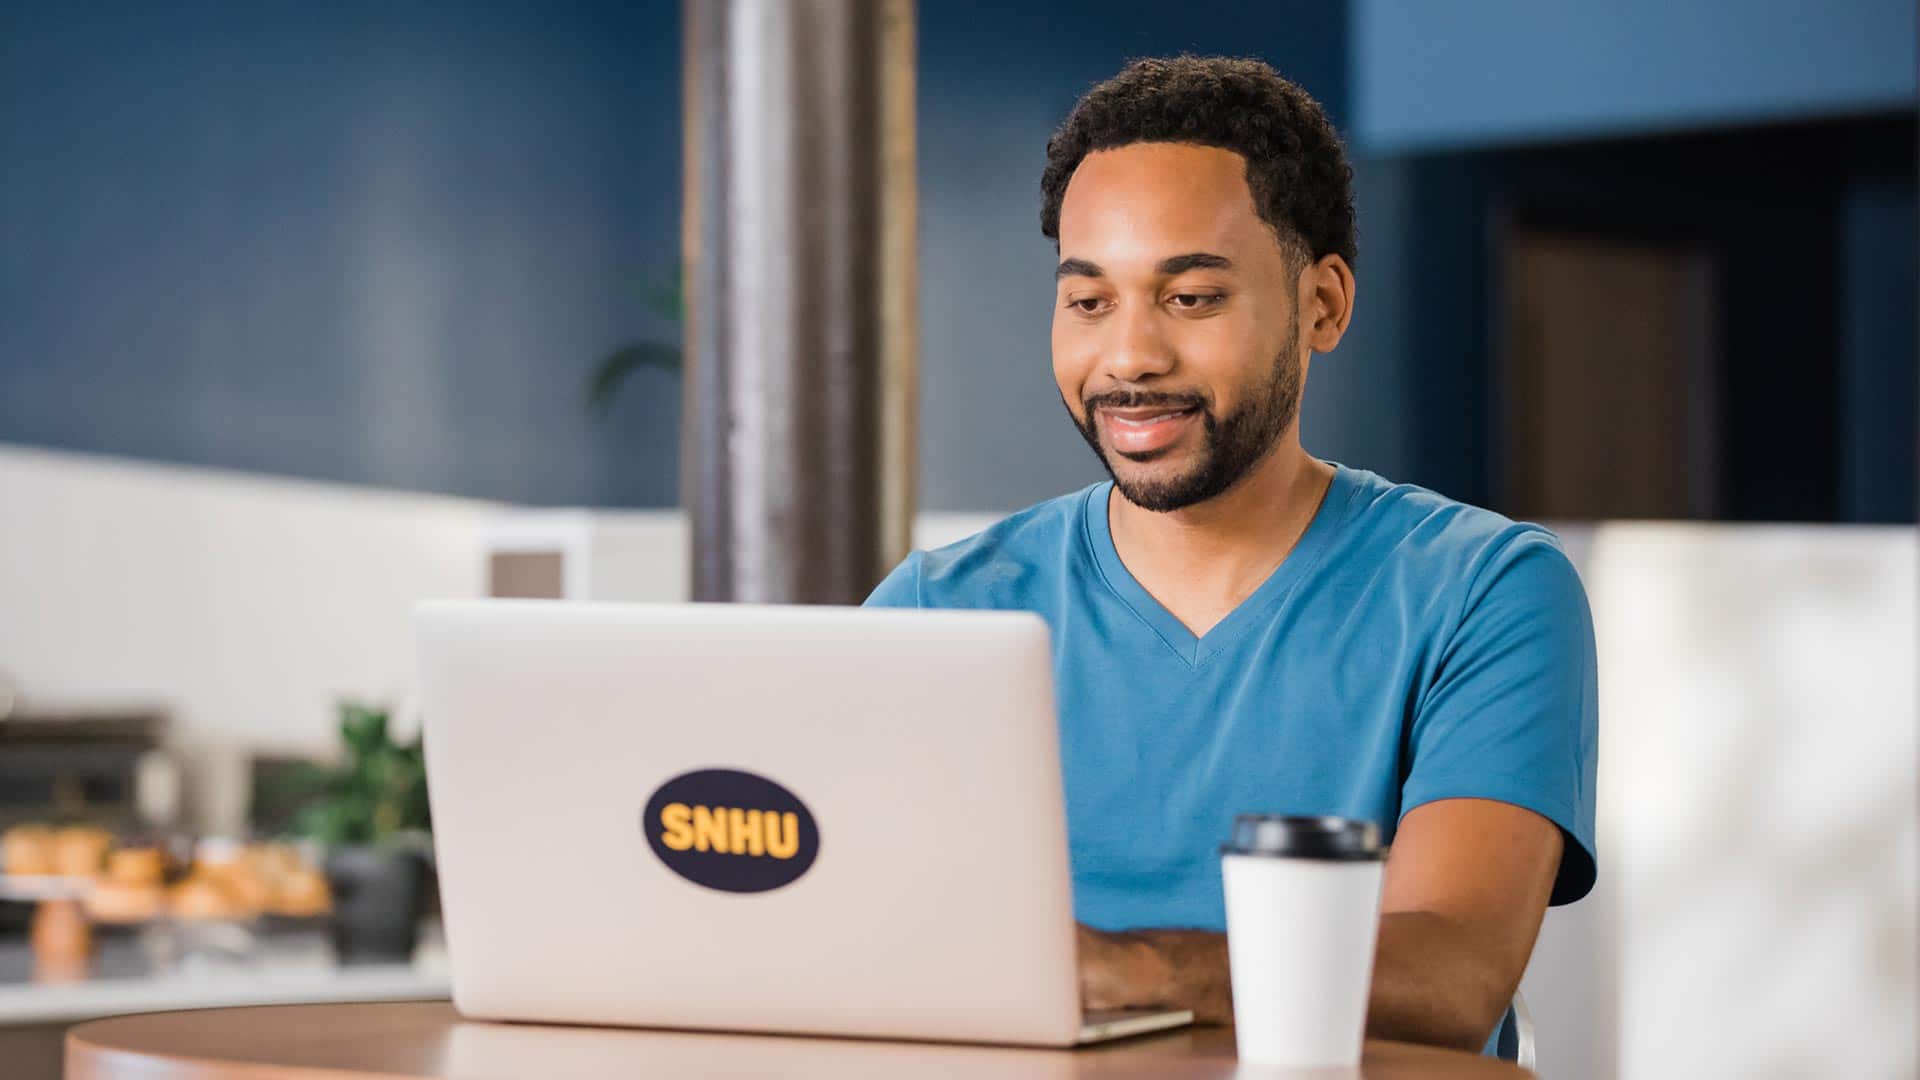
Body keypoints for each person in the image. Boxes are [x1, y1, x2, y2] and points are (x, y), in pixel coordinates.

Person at [865, 55, 1597, 1057]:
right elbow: (857, 940)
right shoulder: (934, 613)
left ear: (1322, 307)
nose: (1128, 357)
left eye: (1193, 298)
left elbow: (1451, 975)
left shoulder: (1483, 590)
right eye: (1089, 302)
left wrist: (1120, 969)